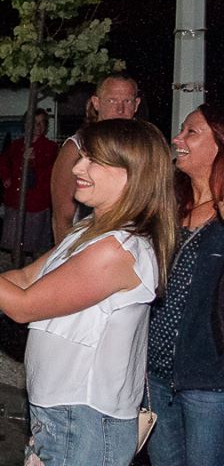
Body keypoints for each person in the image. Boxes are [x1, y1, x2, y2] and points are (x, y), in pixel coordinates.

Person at [0, 118, 176, 465]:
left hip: (83, 418)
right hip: (59, 412)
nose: (77, 167)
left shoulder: (118, 249)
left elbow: (24, 306)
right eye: (81, 157)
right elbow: (25, 278)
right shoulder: (91, 228)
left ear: (132, 174)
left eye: (93, 160)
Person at [146, 103, 224, 465]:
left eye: (191, 132)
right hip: (156, 375)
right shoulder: (171, 205)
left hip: (209, 379)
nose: (177, 138)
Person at [50, 74, 140, 242]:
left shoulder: (143, 148)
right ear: (96, 103)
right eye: (112, 101)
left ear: (136, 105)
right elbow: (62, 216)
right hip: (88, 245)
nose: (120, 110)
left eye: (127, 101)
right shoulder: (76, 147)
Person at [0, 108, 58, 255]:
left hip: (36, 203)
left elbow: (49, 171)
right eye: (34, 123)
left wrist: (33, 161)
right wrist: (6, 177)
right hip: (15, 201)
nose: (38, 126)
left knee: (33, 245)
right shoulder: (17, 145)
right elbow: (3, 162)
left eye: (42, 123)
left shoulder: (50, 147)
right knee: (14, 243)